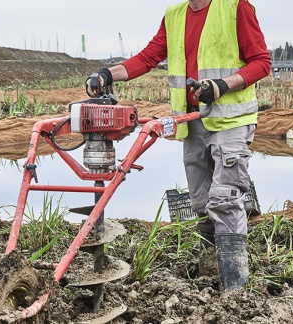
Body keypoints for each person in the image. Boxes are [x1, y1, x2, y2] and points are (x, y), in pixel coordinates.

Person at [86, 0, 270, 291]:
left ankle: (236, 288)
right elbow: (148, 57)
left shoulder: (236, 7)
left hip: (231, 120)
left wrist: (222, 85)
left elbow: (262, 62)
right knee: (201, 202)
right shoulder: (175, 15)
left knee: (224, 199)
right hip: (193, 120)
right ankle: (211, 274)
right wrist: (108, 74)